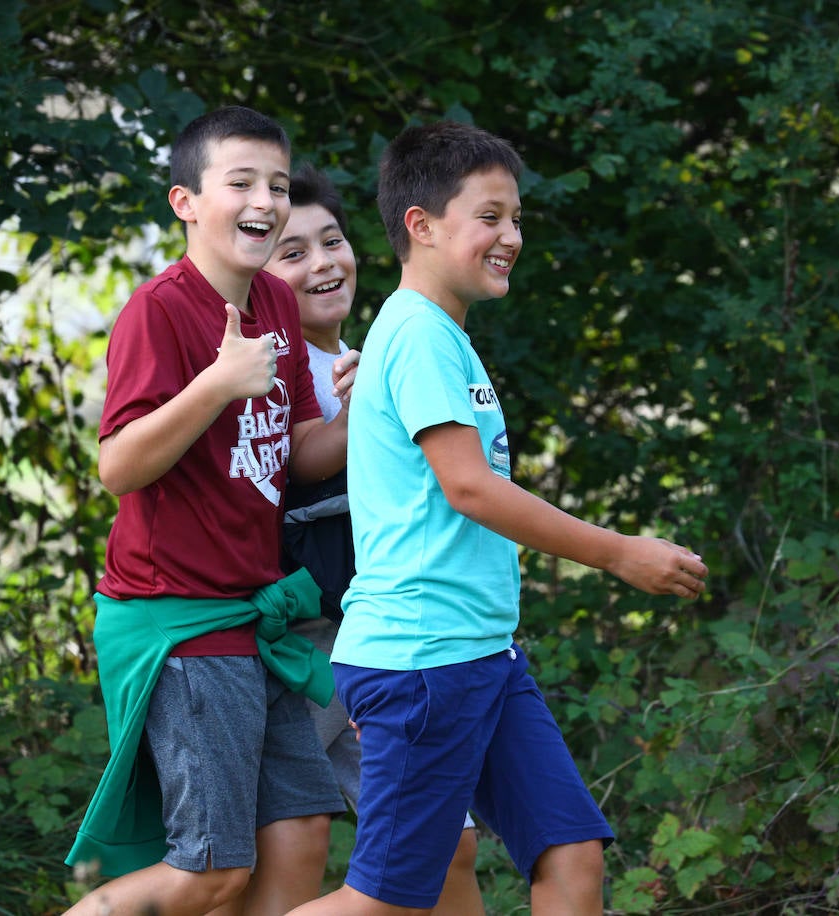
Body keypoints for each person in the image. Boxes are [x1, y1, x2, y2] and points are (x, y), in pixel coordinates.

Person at [285, 122, 709, 916]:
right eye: (489, 217)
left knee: (571, 855)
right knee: (382, 902)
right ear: (421, 225)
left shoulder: (441, 336)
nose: (510, 236)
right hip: (422, 663)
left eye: (515, 218)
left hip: (484, 654)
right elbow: (469, 488)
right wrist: (617, 553)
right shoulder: (413, 334)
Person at [63, 106, 354, 916]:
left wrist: (368, 412)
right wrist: (216, 384)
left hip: (252, 620)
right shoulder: (161, 309)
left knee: (300, 837)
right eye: (240, 183)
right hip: (181, 621)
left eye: (276, 184)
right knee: (211, 872)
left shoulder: (277, 303)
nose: (264, 200)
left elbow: (299, 452)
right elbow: (117, 467)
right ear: (185, 201)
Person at [264, 164, 484, 916]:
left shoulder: (370, 353)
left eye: (333, 240)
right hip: (313, 641)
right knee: (285, 850)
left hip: (388, 637)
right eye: (293, 253)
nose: (324, 262)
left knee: (446, 844)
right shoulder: (267, 373)